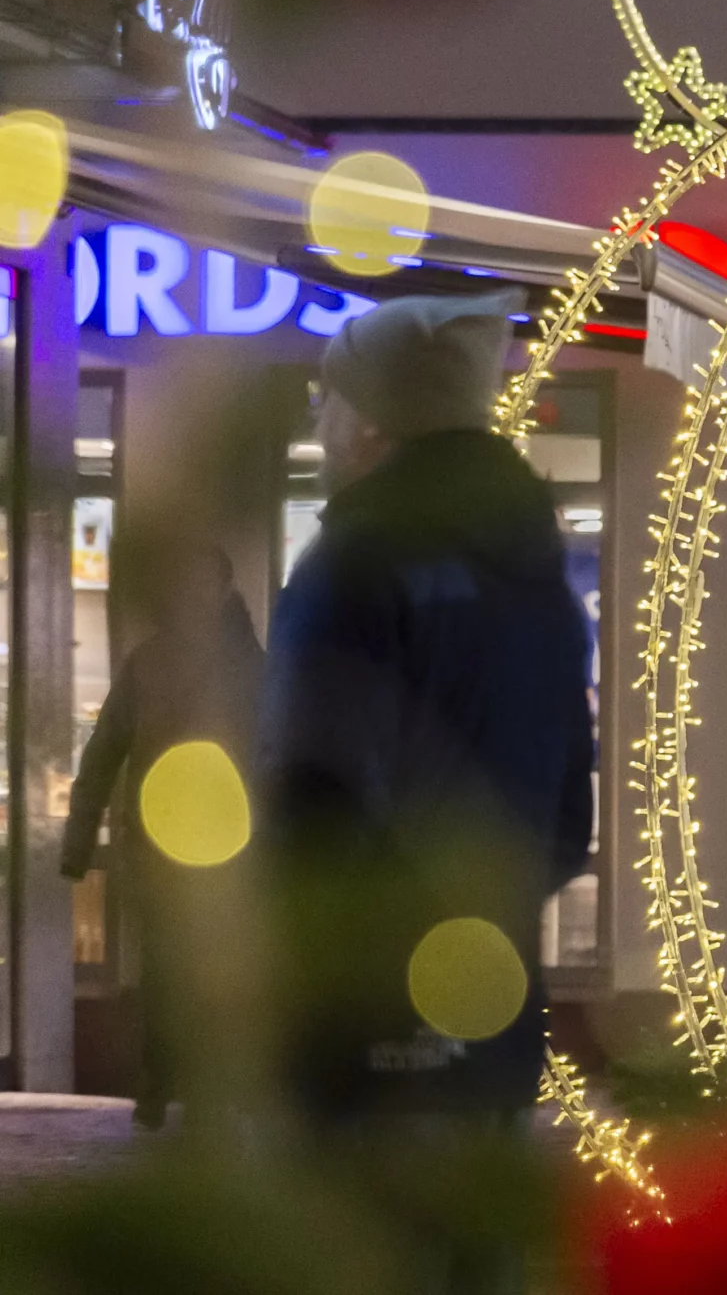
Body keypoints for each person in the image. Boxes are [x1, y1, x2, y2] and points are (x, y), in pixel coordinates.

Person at [257, 291, 594, 1128]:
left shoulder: (355, 565)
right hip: (495, 1011)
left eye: (328, 400)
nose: (320, 425)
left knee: (349, 1255)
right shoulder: (540, 586)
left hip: (365, 1024)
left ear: (373, 426)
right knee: (473, 1248)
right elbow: (564, 826)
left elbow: (311, 805)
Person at [62, 530, 265, 1128]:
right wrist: (77, 843)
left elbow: (278, 760)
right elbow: (102, 754)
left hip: (220, 850)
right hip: (172, 849)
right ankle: (166, 1082)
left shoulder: (239, 668)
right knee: (167, 973)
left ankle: (194, 1084)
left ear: (221, 589)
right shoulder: (173, 665)